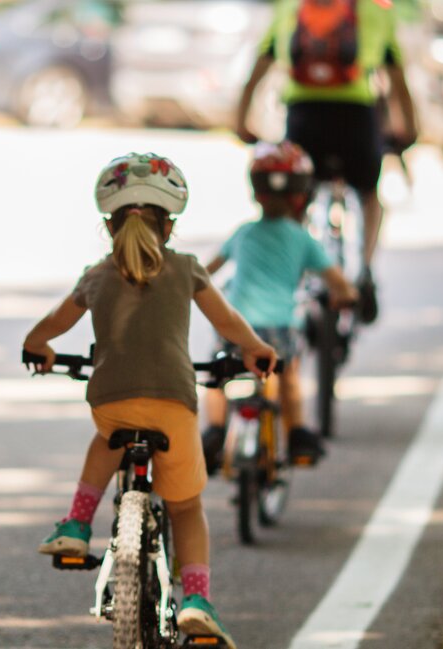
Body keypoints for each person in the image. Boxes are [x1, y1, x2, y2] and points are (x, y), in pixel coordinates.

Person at [22, 153, 277, 648]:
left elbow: (53, 324)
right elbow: (226, 323)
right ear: (171, 225)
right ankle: (198, 600)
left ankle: (77, 523)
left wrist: (39, 347)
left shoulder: (97, 275)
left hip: (111, 401)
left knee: (106, 440)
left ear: (108, 224)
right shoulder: (186, 269)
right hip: (174, 405)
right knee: (185, 507)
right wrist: (256, 350)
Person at [232, 0, 418, 323]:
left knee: (296, 201)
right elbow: (397, 76)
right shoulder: (375, 10)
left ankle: (293, 272)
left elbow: (259, 69)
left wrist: (241, 120)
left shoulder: (289, 8)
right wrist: (410, 129)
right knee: (369, 195)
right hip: (356, 117)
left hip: (304, 115)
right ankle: (364, 271)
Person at [200, 141, 357, 468]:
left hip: (235, 323)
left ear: (256, 192)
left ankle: (214, 431)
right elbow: (338, 283)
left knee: (218, 374)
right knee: (287, 373)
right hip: (280, 326)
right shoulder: (302, 239)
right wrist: (347, 295)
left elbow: (204, 273)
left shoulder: (243, 233)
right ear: (302, 195)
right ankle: (297, 432)